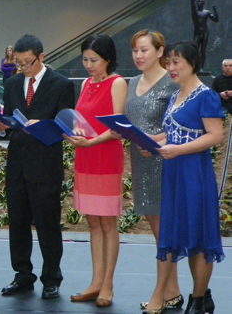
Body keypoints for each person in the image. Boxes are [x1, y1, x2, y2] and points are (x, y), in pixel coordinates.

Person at [142, 41, 224, 314]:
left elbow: (214, 136)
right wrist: (151, 142)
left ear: (193, 63)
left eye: (177, 62)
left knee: (199, 237)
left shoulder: (206, 96)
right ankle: (202, 296)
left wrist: (177, 150)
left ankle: (198, 300)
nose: (171, 67)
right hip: (174, 174)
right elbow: (172, 133)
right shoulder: (176, 95)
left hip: (194, 174)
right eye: (168, 62)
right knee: (184, 234)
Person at [0, 34, 75, 300]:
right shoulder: (13, 82)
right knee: (17, 224)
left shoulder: (61, 84)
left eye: (28, 62)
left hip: (45, 164)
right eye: (19, 63)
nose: (23, 68)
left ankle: (51, 277)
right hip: (17, 163)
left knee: (48, 224)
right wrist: (3, 126)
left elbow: (67, 125)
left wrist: (41, 123)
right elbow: (11, 118)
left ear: (41, 57)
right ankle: (23, 276)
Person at [64, 34, 127, 308]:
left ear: (108, 59)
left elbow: (117, 128)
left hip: (105, 158)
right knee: (92, 221)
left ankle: (108, 284)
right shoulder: (88, 83)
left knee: (107, 222)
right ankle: (95, 281)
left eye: (94, 60)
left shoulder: (118, 82)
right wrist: (74, 132)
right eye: (85, 59)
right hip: (85, 157)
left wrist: (90, 140)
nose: (88, 65)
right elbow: (82, 119)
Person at [121, 30, 181, 313]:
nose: (138, 56)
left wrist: (156, 143)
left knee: (165, 232)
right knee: (159, 233)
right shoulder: (132, 82)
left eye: (144, 50)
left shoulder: (171, 83)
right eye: (135, 50)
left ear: (160, 51)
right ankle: (173, 291)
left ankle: (159, 294)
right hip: (140, 162)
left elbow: (179, 126)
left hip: (165, 162)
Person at [190, 0, 218, 69]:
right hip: (197, 32)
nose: (198, 3)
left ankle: (201, 67)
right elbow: (192, 0)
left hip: (205, 32)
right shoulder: (195, 11)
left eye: (200, 1)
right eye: (198, 2)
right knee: (195, 50)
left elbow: (216, 20)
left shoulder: (206, 12)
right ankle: (196, 66)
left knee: (203, 50)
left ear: (203, 3)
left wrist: (215, 10)